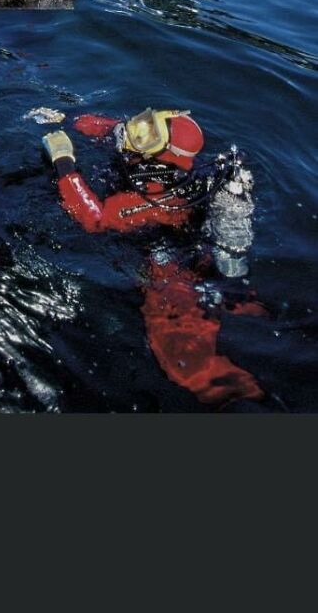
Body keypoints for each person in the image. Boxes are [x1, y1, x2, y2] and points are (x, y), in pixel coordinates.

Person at [42, 106, 265, 408]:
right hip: (175, 236)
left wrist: (64, 163)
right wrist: (69, 118)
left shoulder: (155, 200)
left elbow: (95, 220)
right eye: (145, 125)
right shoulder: (147, 150)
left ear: (163, 154)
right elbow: (113, 130)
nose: (135, 130)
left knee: (177, 342)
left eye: (148, 132)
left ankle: (231, 393)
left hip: (171, 259)